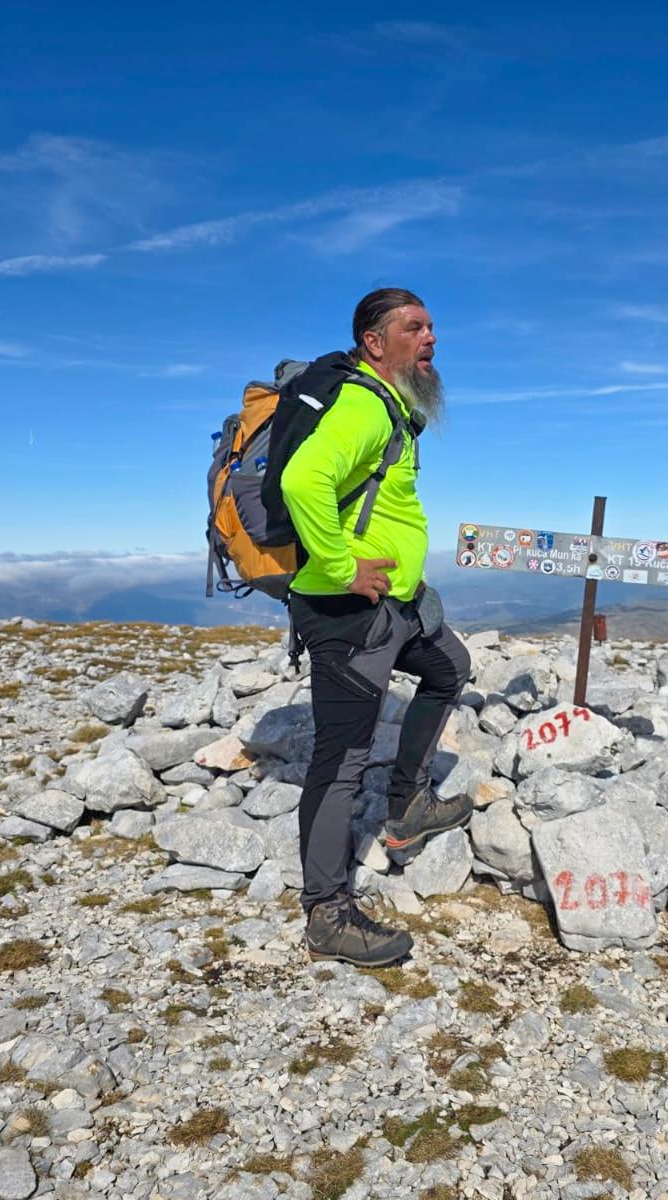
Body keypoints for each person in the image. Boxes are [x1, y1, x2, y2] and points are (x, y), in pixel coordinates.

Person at [281, 288, 473, 967]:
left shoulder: (392, 406)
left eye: (432, 326)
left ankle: (407, 804)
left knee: (449, 667)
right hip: (348, 613)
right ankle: (327, 913)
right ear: (374, 342)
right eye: (414, 328)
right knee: (342, 760)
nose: (430, 338)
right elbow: (303, 481)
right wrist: (341, 569)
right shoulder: (362, 404)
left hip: (394, 603)